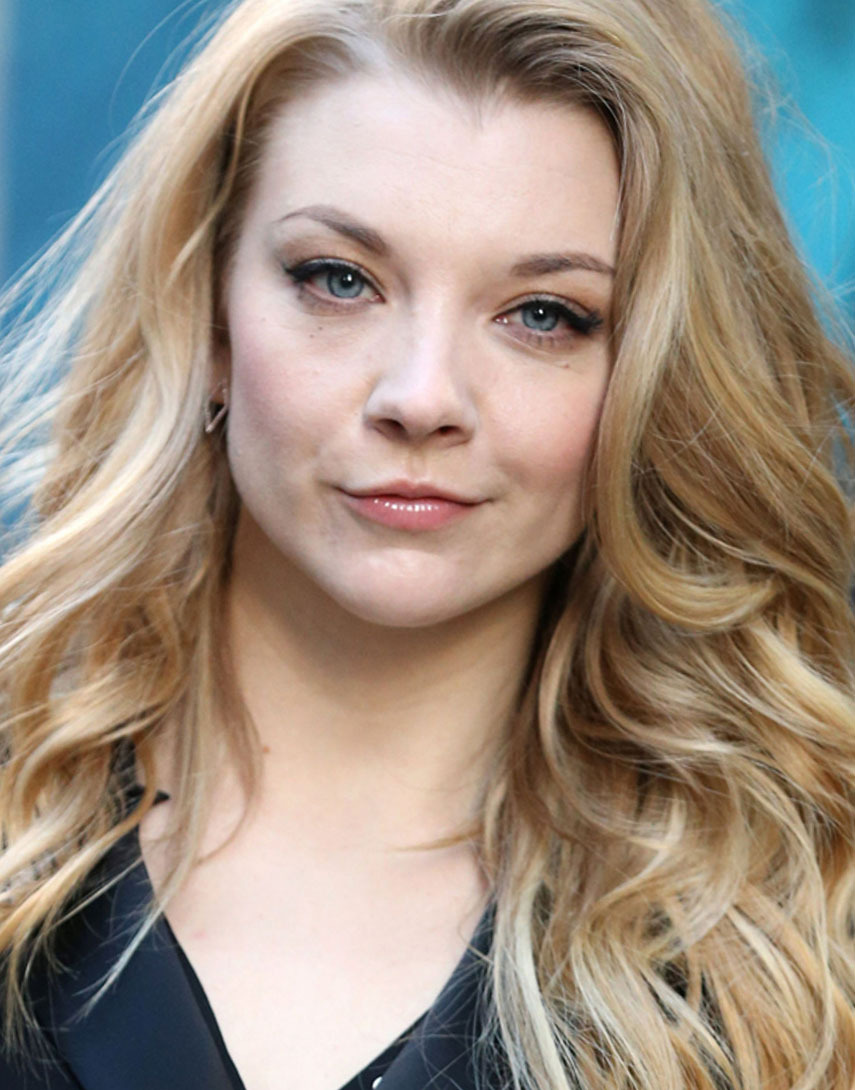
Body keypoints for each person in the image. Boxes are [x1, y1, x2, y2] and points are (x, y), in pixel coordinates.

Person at [1, 0, 854, 1087]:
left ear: (655, 376)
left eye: (543, 314)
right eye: (339, 279)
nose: (422, 397)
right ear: (208, 316)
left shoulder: (800, 955)